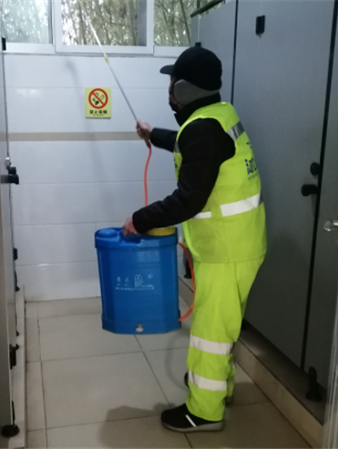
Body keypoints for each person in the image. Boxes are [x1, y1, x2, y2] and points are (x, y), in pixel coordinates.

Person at [122, 46, 267, 433]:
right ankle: (218, 386)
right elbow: (194, 145)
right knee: (223, 325)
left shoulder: (203, 129)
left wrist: (140, 219)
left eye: (172, 82)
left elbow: (188, 199)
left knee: (211, 333)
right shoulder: (219, 115)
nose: (168, 88)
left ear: (183, 89)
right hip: (238, 244)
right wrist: (154, 134)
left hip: (225, 249)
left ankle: (204, 411)